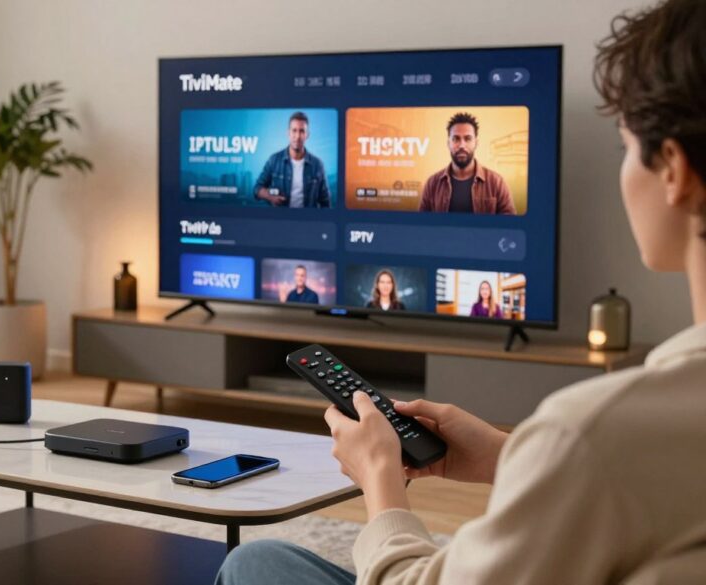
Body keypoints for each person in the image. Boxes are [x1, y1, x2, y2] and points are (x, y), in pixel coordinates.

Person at [217, 0, 706, 582]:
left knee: (252, 563)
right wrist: (512, 456)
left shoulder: (592, 430)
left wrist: (380, 478)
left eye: (624, 146)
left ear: (673, 169)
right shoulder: (624, 434)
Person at [418, 112, 516, 214]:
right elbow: (421, 223)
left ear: (476, 143)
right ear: (448, 143)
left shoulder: (497, 183)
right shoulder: (432, 184)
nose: (462, 145)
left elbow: (510, 222)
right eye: (456, 139)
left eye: (468, 139)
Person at [254, 112, 332, 208]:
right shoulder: (274, 160)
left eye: (302, 131)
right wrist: (270, 197)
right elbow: (257, 188)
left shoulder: (317, 165)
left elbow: (325, 202)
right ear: (288, 133)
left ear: (307, 135)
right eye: (294, 130)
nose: (298, 136)